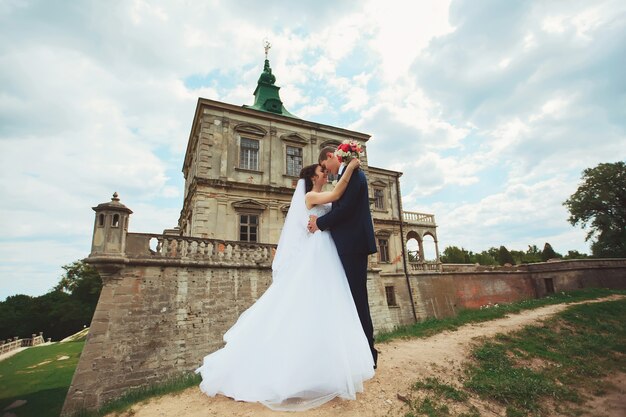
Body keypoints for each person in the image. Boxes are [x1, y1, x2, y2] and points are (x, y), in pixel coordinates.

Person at [195, 158, 374, 411]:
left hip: (325, 252)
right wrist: (352, 168)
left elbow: (338, 204)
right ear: (313, 177)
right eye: (322, 171)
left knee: (323, 308)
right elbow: (338, 193)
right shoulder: (311, 196)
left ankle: (321, 368)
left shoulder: (319, 196)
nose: (325, 173)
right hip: (317, 255)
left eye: (325, 170)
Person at [308, 147, 378, 368]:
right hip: (348, 244)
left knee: (357, 300)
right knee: (350, 300)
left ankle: (369, 354)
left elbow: (346, 209)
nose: (325, 172)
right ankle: (357, 351)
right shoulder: (346, 175)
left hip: (353, 245)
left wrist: (319, 224)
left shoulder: (354, 174)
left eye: (325, 166)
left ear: (330, 157)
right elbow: (340, 201)